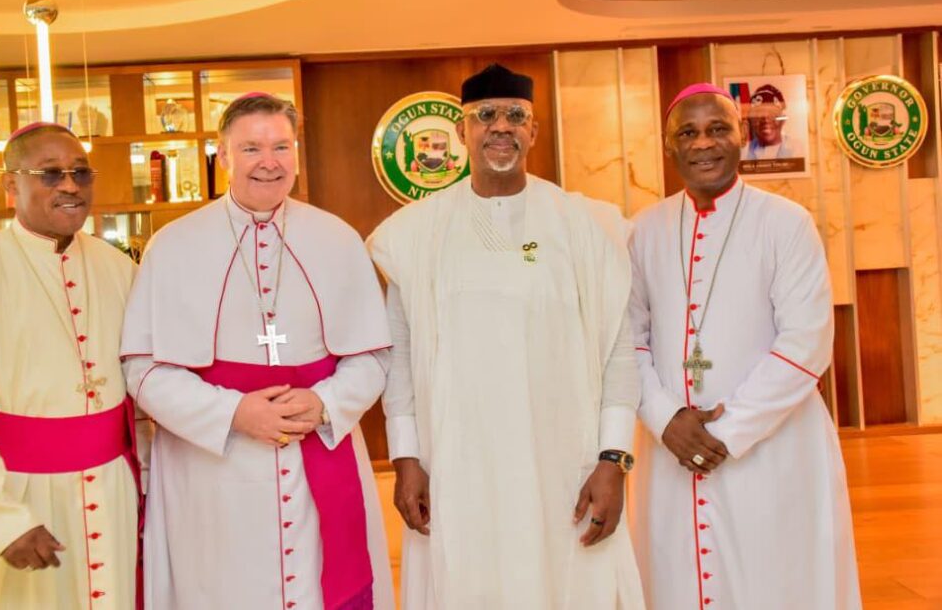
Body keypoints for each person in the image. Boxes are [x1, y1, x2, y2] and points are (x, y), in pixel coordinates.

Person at [369, 64, 645, 610]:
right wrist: (405, 458)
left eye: (516, 115)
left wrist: (613, 459)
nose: (501, 126)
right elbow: (399, 357)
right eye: (485, 115)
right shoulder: (416, 233)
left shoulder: (586, 226)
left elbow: (618, 348)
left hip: (564, 462)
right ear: (462, 132)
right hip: (457, 461)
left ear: (533, 132)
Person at [120, 93, 394, 610]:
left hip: (320, 449)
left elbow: (374, 356)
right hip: (212, 472)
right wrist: (232, 412)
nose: (268, 162)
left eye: (281, 147)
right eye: (250, 148)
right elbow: (143, 367)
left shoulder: (337, 239)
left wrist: (326, 404)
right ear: (222, 155)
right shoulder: (173, 245)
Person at [628, 83, 861, 610]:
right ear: (670, 147)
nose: (703, 143)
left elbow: (806, 343)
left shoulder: (786, 224)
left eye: (718, 129)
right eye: (688, 132)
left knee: (776, 578)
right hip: (670, 450)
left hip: (771, 446)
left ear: (741, 138)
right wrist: (666, 419)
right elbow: (628, 340)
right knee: (676, 579)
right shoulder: (644, 231)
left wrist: (725, 434)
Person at [0, 122, 142, 609]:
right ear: (10, 186)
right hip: (21, 494)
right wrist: (5, 521)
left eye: (81, 173)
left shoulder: (120, 267)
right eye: (50, 174)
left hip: (113, 490)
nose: (69, 185)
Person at [742, 83, 802, 160]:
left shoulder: (797, 149)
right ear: (751, 122)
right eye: (759, 113)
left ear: (782, 120)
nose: (766, 119)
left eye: (772, 113)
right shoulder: (743, 153)